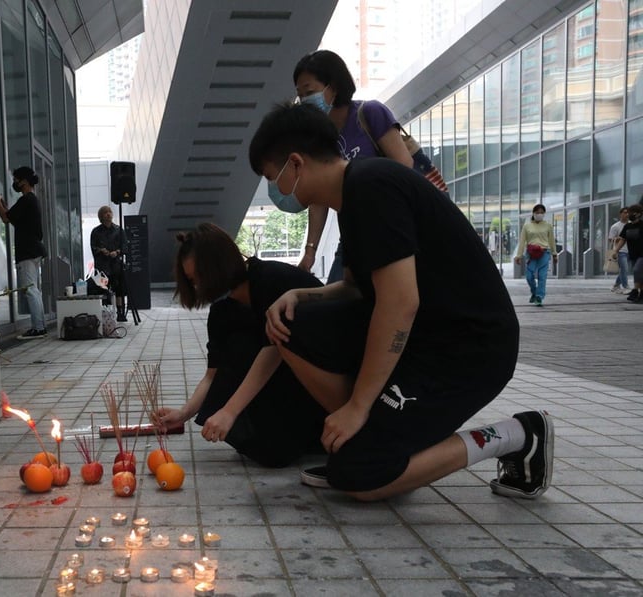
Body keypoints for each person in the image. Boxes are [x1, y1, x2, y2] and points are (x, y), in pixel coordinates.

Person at [248, 102, 552, 501]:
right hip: (425, 341)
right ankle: (376, 439)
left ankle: (517, 434)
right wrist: (298, 294)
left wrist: (358, 405)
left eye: (274, 179)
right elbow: (357, 290)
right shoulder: (353, 199)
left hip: (469, 348)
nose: (277, 192)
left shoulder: (373, 185)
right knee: (293, 321)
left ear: (295, 163)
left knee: (360, 475)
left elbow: (400, 302)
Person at [155, 224, 327, 466]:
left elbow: (275, 349)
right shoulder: (222, 312)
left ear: (218, 266)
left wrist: (230, 412)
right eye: (192, 282)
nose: (198, 288)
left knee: (245, 348)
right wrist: (184, 413)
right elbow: (212, 375)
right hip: (285, 384)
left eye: (199, 279)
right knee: (267, 449)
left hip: (326, 374)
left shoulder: (271, 279)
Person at [280, 50, 413, 281]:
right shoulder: (318, 140)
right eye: (300, 96)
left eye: (310, 92)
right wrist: (309, 252)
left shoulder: (369, 113)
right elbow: (318, 199)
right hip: (352, 234)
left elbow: (404, 167)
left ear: (334, 88)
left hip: (390, 228)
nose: (304, 101)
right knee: (340, 302)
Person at [0, 166, 47, 339]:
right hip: (33, 250)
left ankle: (38, 327)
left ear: (24, 181)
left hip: (28, 251)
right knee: (33, 289)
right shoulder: (30, 200)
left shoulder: (27, 200)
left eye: (16, 179)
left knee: (30, 290)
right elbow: (14, 219)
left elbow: (5, 218)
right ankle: (40, 325)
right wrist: (2, 205)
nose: (14, 182)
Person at [514, 204, 557, 307]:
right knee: (529, 276)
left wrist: (554, 254)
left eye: (542, 212)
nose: (540, 214)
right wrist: (518, 255)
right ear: (533, 213)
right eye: (538, 212)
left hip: (544, 253)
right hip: (531, 254)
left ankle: (539, 296)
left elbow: (551, 241)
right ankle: (534, 292)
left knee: (542, 276)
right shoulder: (527, 226)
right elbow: (522, 241)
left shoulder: (548, 225)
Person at [90, 205, 127, 322]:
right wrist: (102, 250)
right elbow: (93, 247)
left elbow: (125, 247)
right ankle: (106, 314)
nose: (108, 214)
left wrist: (117, 252)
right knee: (103, 290)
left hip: (116, 265)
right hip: (102, 267)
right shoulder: (96, 232)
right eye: (105, 212)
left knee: (119, 289)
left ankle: (121, 313)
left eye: (110, 212)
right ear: (101, 216)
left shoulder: (119, 230)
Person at [613, 203, 643, 303]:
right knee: (638, 274)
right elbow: (622, 240)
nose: (629, 214)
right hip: (633, 253)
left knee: (637, 270)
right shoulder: (627, 226)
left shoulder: (642, 225)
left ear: (639, 214)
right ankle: (640, 293)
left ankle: (635, 290)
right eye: (628, 212)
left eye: (631, 212)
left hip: (642, 254)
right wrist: (616, 250)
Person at [609, 207, 630, 294]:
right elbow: (610, 239)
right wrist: (619, 238)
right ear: (620, 214)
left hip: (630, 250)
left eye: (628, 212)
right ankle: (626, 287)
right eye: (625, 212)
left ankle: (616, 285)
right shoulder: (615, 226)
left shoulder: (631, 224)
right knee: (624, 269)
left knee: (623, 270)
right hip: (620, 251)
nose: (627, 214)